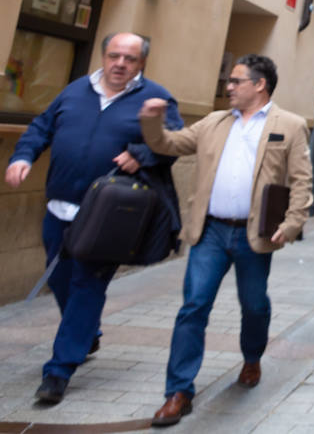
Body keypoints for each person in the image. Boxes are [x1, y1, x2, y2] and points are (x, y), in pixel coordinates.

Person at [5, 32, 182, 405]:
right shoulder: (73, 91)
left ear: (141, 63)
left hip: (108, 216)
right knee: (61, 279)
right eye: (114, 55)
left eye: (129, 58)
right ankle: (88, 333)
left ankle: (58, 371)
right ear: (103, 56)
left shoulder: (157, 98)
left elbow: (174, 141)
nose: (120, 63)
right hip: (59, 209)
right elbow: (41, 127)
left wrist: (142, 155)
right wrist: (22, 157)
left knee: (88, 286)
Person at [138, 54, 312, 426]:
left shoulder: (291, 126)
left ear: (259, 85)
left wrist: (294, 222)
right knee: (194, 306)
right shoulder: (214, 122)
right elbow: (167, 144)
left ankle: (252, 357)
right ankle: (179, 391)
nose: (228, 87)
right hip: (211, 231)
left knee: (254, 306)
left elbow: (301, 181)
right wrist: (152, 120)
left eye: (236, 81)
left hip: (255, 233)